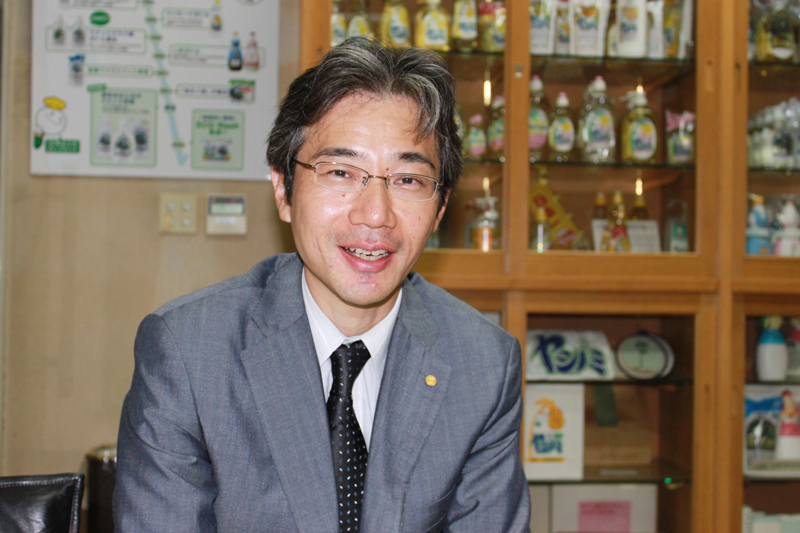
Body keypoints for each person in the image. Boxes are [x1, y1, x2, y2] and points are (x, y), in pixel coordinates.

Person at [114, 38, 530, 532]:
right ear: (283, 190)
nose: (375, 215)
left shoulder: (483, 364)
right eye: (341, 172)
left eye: (408, 180)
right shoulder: (189, 353)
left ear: (440, 208)